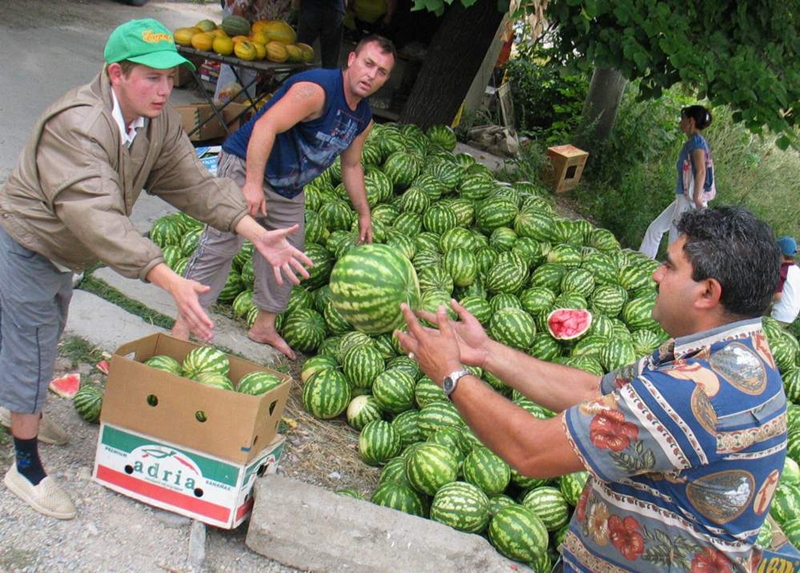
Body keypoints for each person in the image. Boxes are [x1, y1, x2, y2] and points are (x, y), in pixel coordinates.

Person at [0, 18, 311, 521]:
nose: (165, 89)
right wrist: (166, 277)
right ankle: (25, 465)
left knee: (38, 337)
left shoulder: (155, 121)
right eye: (152, 77)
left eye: (171, 77)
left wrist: (254, 231)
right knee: (34, 340)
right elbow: (97, 216)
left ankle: (18, 404)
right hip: (31, 242)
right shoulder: (79, 124)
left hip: (66, 250)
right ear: (116, 74)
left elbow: (192, 182)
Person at [398, 206, 787, 571]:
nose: (655, 275)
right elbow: (592, 392)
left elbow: (530, 450)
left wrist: (450, 374)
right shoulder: (736, 357)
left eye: (669, 267)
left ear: (707, 293)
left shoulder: (693, 393)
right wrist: (485, 353)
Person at [172, 35, 396, 359]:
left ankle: (263, 326)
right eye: (368, 64)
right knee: (222, 242)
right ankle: (183, 326)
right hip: (248, 164)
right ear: (352, 60)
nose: (371, 75)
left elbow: (352, 164)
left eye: (381, 72)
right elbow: (265, 127)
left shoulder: (362, 119)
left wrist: (364, 212)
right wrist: (252, 183)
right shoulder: (316, 91)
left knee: (289, 255)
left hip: (288, 186)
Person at [639, 105, 716, 259]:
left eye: (683, 118)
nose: (680, 122)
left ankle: (667, 277)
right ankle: (641, 263)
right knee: (655, 229)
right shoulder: (694, 142)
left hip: (687, 201)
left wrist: (696, 198)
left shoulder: (696, 143)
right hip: (682, 198)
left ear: (691, 121)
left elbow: (701, 170)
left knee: (675, 241)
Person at [295, 0, 346, 69]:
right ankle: (328, 77)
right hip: (335, 9)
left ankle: (299, 77)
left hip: (310, 8)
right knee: (330, 58)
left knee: (301, 53)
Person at [772, 236, 800, 327]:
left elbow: (777, 296)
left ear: (781, 255)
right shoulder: (796, 269)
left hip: (781, 315)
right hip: (792, 313)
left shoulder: (783, 272)